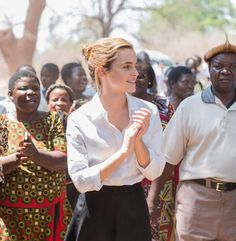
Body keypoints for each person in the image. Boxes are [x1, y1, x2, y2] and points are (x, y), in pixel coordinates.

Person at [65, 37, 165, 241]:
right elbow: (81, 181)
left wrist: (137, 142)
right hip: (93, 210)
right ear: (102, 71)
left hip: (133, 206)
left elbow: (154, 171)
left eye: (134, 66)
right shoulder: (79, 118)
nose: (135, 73)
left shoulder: (148, 111)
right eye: (126, 67)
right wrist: (122, 152)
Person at [148, 41, 236, 240]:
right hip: (196, 200)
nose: (225, 72)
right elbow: (168, 158)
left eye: (233, 67)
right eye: (219, 67)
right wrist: (152, 201)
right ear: (209, 71)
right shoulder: (189, 107)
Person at [0, 70, 71, 240]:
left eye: (35, 89)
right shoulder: (2, 124)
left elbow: (63, 160)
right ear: (10, 94)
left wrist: (36, 155)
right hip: (10, 215)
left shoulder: (53, 120)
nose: (31, 92)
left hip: (49, 212)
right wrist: (17, 158)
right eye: (24, 88)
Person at [132, 61, 174, 241]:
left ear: (149, 79)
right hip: (130, 180)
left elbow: (172, 146)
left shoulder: (164, 105)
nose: (134, 79)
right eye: (131, 75)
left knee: (160, 231)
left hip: (161, 181)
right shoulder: (118, 105)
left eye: (140, 75)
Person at [46, 83, 79, 210]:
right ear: (48, 103)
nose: (59, 103)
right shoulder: (40, 125)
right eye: (54, 100)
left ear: (71, 104)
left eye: (64, 100)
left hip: (73, 187)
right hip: (47, 187)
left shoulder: (78, 126)